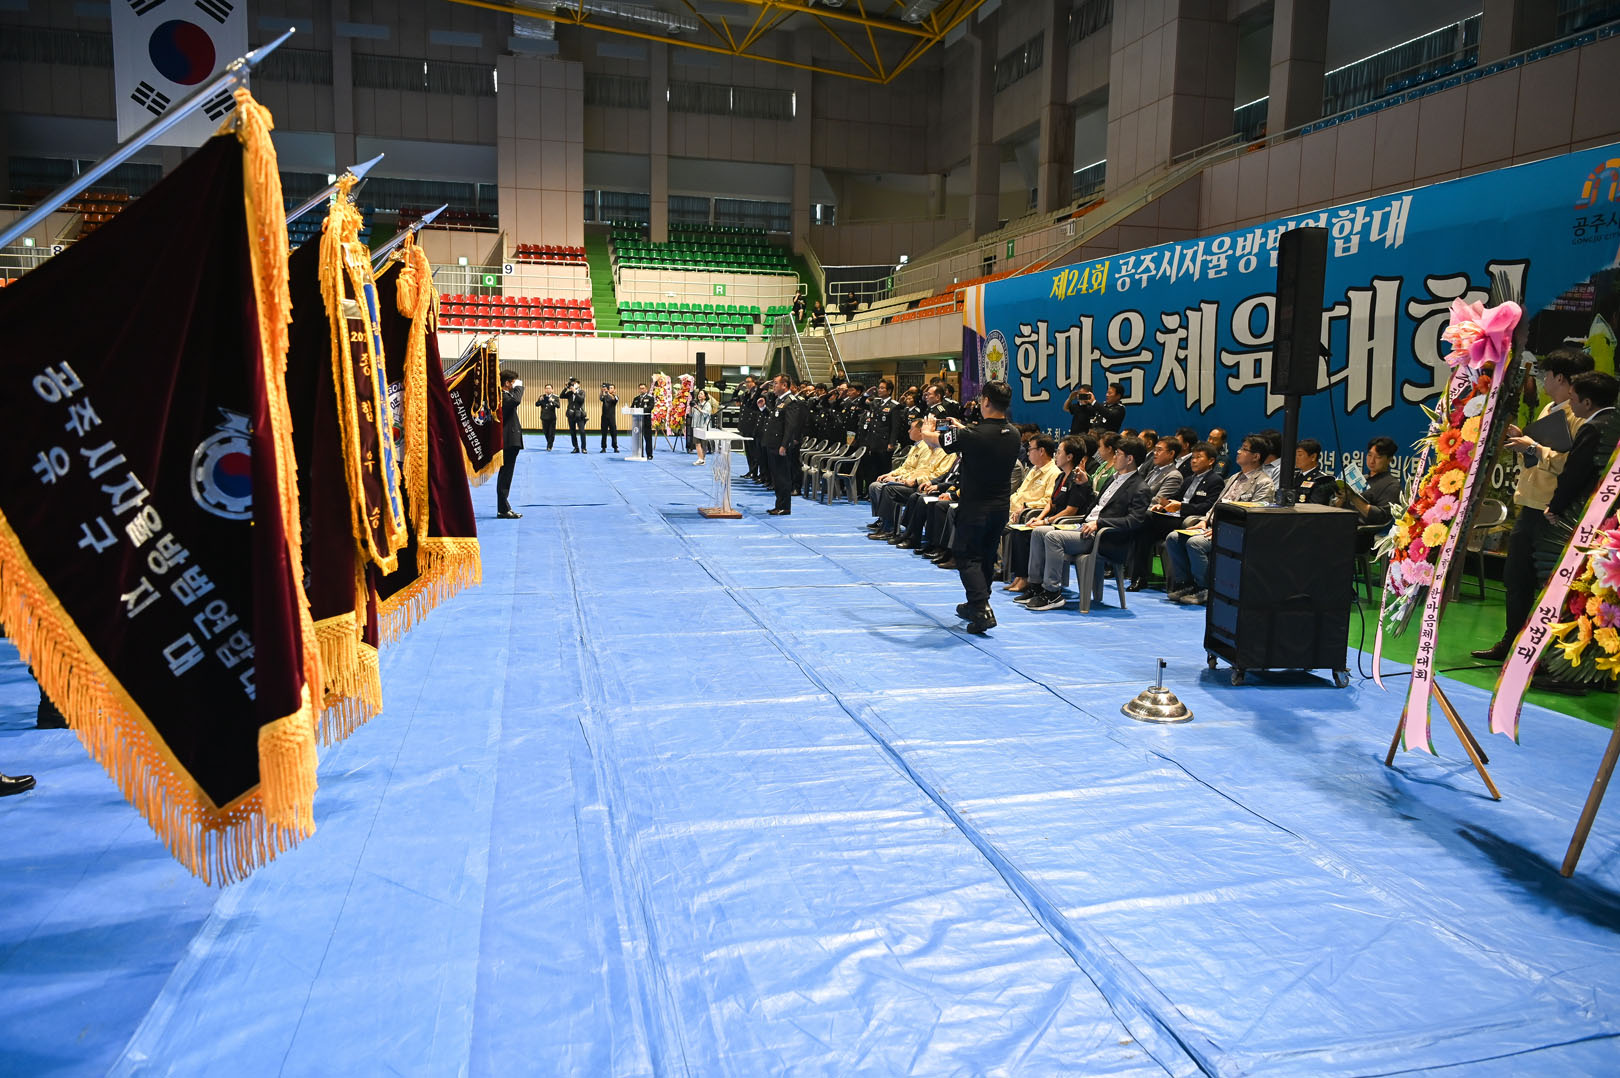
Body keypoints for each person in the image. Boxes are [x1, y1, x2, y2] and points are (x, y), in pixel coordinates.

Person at [1474, 347, 1594, 661]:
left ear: (1562, 379)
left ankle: (1545, 653)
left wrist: (1535, 449)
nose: (1543, 379)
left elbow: (1573, 465)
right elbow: (1537, 456)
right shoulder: (1549, 409)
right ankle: (1511, 641)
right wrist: (1524, 442)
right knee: (1516, 578)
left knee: (1548, 584)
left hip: (1553, 512)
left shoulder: (1578, 415)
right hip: (1528, 505)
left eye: (1546, 374)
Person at [916, 380, 1022, 633]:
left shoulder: (972, 435)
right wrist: (962, 428)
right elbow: (985, 436)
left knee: (967, 555)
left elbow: (933, 440)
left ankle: (981, 606)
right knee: (987, 555)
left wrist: (927, 428)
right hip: (1000, 507)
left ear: (985, 401)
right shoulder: (1013, 433)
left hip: (975, 506)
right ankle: (976, 603)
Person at [1022, 437, 1153, 611]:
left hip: (1104, 538)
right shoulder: (1112, 479)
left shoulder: (1140, 488)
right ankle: (1035, 586)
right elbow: (1097, 506)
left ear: (1130, 459)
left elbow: (1134, 521)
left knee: (1053, 537)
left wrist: (1100, 523)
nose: (1114, 457)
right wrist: (1085, 485)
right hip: (1084, 527)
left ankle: (1052, 593)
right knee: (1039, 532)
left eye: (1118, 454)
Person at [1164, 435, 1277, 603]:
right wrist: (1204, 520)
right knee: (1173, 538)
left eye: (1244, 449)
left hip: (1235, 531)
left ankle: (1204, 588)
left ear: (1256, 456)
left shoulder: (1264, 483)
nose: (1238, 451)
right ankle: (1185, 584)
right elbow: (1217, 504)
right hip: (1213, 526)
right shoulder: (1234, 477)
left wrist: (1222, 528)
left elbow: (1254, 517)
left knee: (1195, 543)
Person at [1005, 436, 1093, 594]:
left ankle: (1031, 581)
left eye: (1059, 452)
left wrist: (1045, 521)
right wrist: (1038, 518)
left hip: (1066, 524)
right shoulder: (1061, 476)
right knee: (1021, 530)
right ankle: (1023, 577)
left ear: (1069, 457)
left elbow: (1070, 511)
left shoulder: (1078, 479)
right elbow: (1050, 503)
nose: (1055, 455)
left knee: (1027, 534)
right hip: (1052, 519)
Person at [1134, 441, 1224, 591]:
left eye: (1199, 457)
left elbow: (1207, 507)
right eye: (1193, 457)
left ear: (1211, 461)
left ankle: (1139, 575)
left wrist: (1181, 507)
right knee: (1144, 532)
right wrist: (1163, 506)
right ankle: (1139, 576)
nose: (1193, 461)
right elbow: (1175, 498)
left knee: (1145, 518)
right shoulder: (1189, 479)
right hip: (1172, 518)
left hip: (1188, 520)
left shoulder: (1215, 481)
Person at [761, 373, 807, 515]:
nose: (773, 386)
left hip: (780, 445)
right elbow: (775, 420)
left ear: (784, 385)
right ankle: (779, 504)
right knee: (776, 476)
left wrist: (784, 445)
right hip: (773, 443)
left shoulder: (791, 401)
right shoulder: (780, 400)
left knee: (782, 476)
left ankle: (785, 507)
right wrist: (763, 409)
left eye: (776, 383)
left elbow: (790, 426)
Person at [496, 368, 524, 519]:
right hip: (508, 440)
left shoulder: (505, 394)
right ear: (507, 383)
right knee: (505, 475)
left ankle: (504, 507)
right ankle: (503, 509)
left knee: (506, 475)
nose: (514, 385)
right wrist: (519, 387)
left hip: (510, 440)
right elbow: (516, 401)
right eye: (513, 382)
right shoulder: (503, 396)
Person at [1292, 438, 1337, 505]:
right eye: (1295, 455)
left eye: (1300, 455)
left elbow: (1315, 506)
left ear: (1313, 457)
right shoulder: (1294, 475)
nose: (1296, 458)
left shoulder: (1322, 480)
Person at [690, 384, 715, 466]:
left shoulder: (707, 404)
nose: (699, 395)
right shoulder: (695, 404)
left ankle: (702, 459)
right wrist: (692, 407)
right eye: (699, 394)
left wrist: (698, 408)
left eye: (701, 394)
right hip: (696, 425)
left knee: (704, 443)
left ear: (705, 396)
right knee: (697, 443)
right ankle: (700, 459)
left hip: (704, 426)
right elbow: (692, 414)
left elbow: (707, 413)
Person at [562, 377, 588, 453]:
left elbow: (581, 399)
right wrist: (566, 388)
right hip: (571, 414)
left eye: (575, 383)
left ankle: (584, 448)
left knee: (582, 431)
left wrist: (575, 392)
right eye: (572, 383)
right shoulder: (570, 393)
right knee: (572, 431)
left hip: (579, 414)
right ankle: (576, 447)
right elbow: (561, 396)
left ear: (579, 384)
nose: (573, 385)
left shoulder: (581, 392)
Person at [631, 382, 656, 459]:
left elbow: (650, 407)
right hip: (637, 421)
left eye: (643, 388)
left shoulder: (650, 398)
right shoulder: (636, 399)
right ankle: (639, 453)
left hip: (646, 420)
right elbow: (632, 407)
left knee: (648, 438)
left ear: (646, 389)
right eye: (640, 388)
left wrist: (641, 410)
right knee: (638, 439)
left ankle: (649, 454)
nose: (641, 390)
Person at [536, 383, 561, 450]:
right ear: (545, 389)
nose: (548, 390)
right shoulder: (542, 396)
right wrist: (540, 400)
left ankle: (549, 446)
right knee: (545, 432)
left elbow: (558, 406)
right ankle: (549, 442)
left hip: (552, 417)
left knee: (551, 432)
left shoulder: (555, 397)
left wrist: (553, 401)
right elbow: (537, 404)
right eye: (546, 388)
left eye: (549, 388)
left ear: (552, 390)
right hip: (544, 417)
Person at [599, 383, 620, 453]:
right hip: (604, 417)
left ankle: (615, 447)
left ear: (614, 389)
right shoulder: (604, 396)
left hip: (612, 417)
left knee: (613, 433)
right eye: (609, 388)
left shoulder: (615, 396)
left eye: (611, 388)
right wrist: (603, 391)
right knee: (604, 433)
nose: (610, 389)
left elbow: (615, 400)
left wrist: (610, 394)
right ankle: (603, 447)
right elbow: (601, 398)